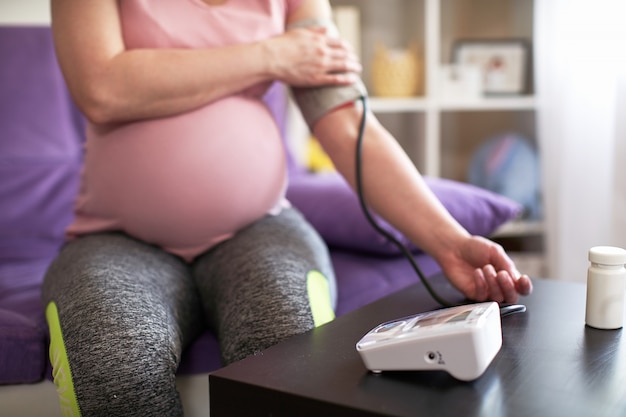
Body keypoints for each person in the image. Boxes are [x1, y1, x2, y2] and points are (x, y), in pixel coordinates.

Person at [43, 0, 533, 415]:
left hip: (259, 227)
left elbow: (346, 126)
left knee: (285, 354)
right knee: (116, 366)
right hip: (117, 237)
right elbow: (103, 88)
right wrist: (272, 55)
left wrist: (448, 243)